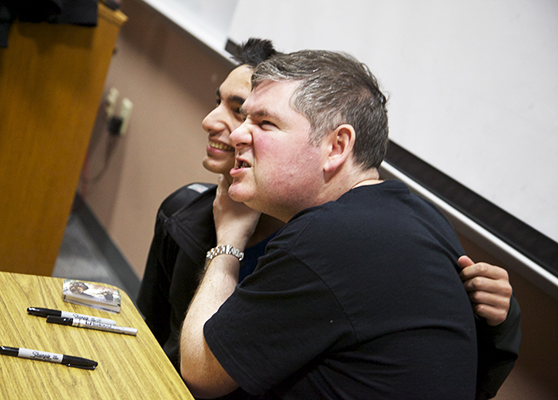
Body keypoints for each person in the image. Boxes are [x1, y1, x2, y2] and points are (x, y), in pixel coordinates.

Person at [137, 41, 520, 399]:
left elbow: (201, 372)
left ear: (336, 146)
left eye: (265, 123)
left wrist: (228, 243)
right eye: (245, 118)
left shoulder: (327, 238)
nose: (238, 133)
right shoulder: (421, 216)